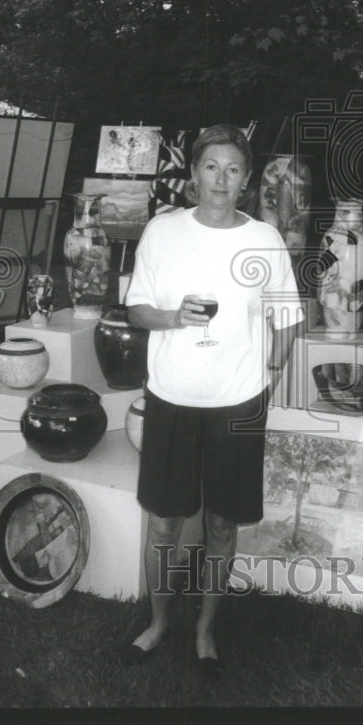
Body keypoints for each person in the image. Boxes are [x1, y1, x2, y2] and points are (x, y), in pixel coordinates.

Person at [123, 124, 302, 678]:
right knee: (163, 525)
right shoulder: (162, 230)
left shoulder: (265, 240)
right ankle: (158, 621)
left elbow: (287, 316)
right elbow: (136, 309)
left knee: (223, 526)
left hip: (238, 403)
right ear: (193, 175)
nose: (220, 179)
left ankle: (205, 629)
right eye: (210, 167)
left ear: (247, 181)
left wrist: (270, 370)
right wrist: (174, 317)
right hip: (172, 397)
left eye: (232, 169)